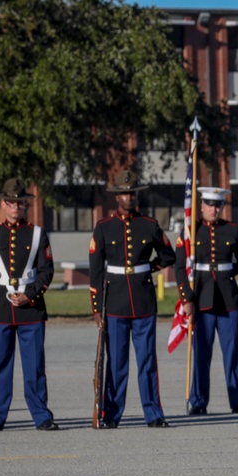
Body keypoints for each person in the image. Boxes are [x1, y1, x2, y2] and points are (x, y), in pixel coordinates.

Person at [89, 171, 176, 428]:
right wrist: (96, 308)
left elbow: (168, 256)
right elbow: (95, 271)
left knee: (147, 360)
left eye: (132, 193)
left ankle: (153, 412)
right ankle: (111, 414)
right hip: (114, 302)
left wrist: (148, 268)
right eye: (125, 193)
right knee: (116, 362)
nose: (129, 197)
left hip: (143, 301)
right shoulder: (104, 227)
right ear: (117, 197)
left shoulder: (149, 225)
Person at [0, 178, 57, 432]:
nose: (14, 207)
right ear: (3, 204)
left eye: (19, 202)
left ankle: (41, 415)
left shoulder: (38, 234)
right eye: (10, 202)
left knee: (34, 366)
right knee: (0, 366)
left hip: (31, 308)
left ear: (24, 204)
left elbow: (46, 271)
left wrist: (29, 295)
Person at [175, 186, 238, 415]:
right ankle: (198, 402)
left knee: (232, 353)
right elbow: (180, 268)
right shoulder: (191, 231)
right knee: (201, 353)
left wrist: (224, 274)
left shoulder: (232, 230)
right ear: (201, 206)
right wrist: (186, 298)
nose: (214, 209)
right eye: (210, 204)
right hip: (201, 299)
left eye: (218, 205)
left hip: (227, 298)